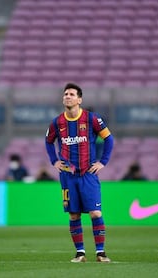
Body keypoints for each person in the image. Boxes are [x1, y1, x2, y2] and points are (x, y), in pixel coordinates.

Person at [45, 83, 114, 263]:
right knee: (74, 215)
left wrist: (103, 162)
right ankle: (80, 253)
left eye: (72, 94)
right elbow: (48, 141)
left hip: (88, 174)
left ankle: (100, 253)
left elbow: (109, 139)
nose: (67, 96)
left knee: (95, 213)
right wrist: (54, 161)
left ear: (79, 99)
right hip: (67, 176)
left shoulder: (92, 119)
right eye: (65, 94)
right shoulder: (57, 122)